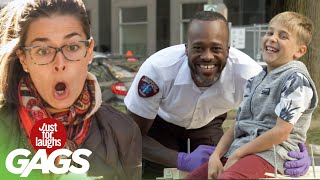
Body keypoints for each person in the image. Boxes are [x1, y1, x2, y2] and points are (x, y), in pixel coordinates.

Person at [124, 10, 311, 179]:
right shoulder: (157, 69)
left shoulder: (250, 74)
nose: (207, 56)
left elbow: (284, 117)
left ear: (228, 50)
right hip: (160, 124)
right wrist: (180, 159)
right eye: (198, 48)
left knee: (217, 172)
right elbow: (129, 136)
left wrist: (295, 152)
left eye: (216, 48)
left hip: (208, 124)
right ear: (186, 48)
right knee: (159, 175)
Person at [0, 0, 141, 179]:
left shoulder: (122, 131)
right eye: (43, 51)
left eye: (73, 47)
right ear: (24, 59)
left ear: (89, 51)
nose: (60, 64)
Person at [186, 11, 318, 179]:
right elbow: (239, 125)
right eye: (270, 32)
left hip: (273, 154)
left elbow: (281, 132)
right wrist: (216, 156)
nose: (272, 38)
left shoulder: (296, 80)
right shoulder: (255, 80)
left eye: (283, 36)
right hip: (243, 149)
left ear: (299, 51)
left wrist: (239, 154)